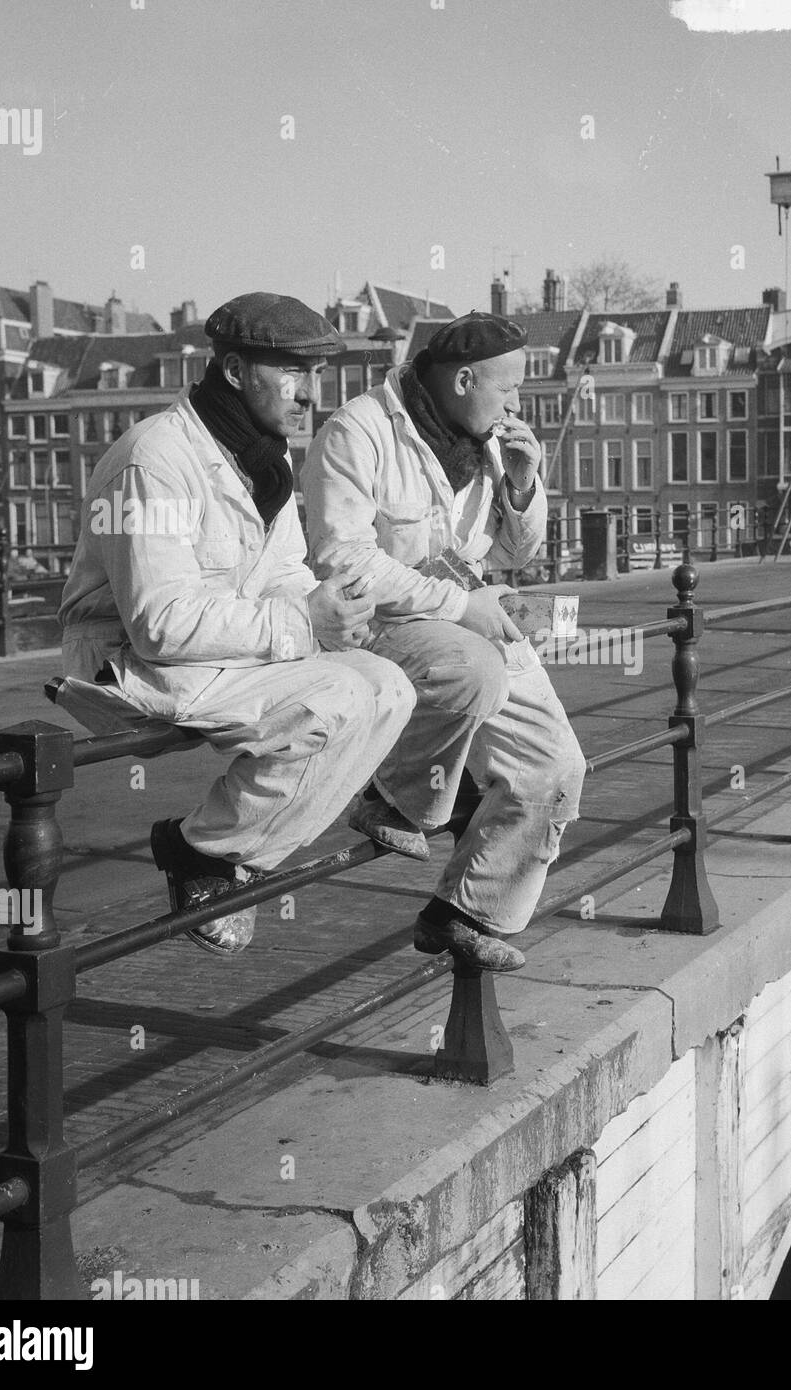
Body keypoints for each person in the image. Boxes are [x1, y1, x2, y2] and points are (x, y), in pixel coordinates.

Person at [56, 293, 424, 958]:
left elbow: (282, 572)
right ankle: (202, 851)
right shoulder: (155, 462)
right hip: (134, 664)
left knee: (389, 685)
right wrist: (303, 623)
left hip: (222, 650)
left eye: (315, 376)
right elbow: (159, 624)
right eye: (293, 373)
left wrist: (330, 610)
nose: (311, 394)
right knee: (334, 701)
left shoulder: (259, 458)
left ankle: (239, 856)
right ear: (233, 371)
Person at [303, 311, 587, 974]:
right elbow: (342, 560)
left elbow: (516, 551)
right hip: (385, 627)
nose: (517, 403)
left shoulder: (484, 440)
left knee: (556, 767)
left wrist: (522, 481)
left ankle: (461, 913)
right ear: (463, 379)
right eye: (509, 388)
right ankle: (391, 796)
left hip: (470, 616)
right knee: (473, 670)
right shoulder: (358, 432)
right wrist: (461, 604)